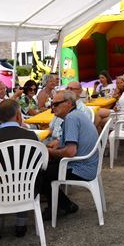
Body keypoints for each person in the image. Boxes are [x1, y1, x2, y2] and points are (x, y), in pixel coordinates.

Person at [0, 99, 39, 238]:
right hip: (27, 191)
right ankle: (21, 225)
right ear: (18, 115)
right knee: (22, 175)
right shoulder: (33, 136)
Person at [41, 90, 99, 220]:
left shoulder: (71, 118)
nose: (52, 107)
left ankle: (60, 207)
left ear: (68, 103)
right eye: (52, 104)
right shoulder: (77, 114)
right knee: (47, 168)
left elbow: (70, 152)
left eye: (56, 104)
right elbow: (70, 145)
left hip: (81, 168)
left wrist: (49, 151)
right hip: (88, 163)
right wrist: (57, 145)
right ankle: (63, 205)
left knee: (40, 174)